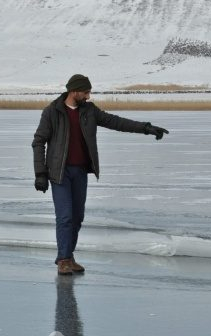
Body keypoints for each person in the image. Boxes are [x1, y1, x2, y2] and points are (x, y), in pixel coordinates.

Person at [32, 74, 168, 275]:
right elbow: (38, 141)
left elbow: (116, 122)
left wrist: (146, 128)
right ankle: (63, 260)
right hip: (59, 173)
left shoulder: (89, 111)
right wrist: (40, 173)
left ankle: (68, 255)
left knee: (77, 217)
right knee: (65, 217)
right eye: (85, 92)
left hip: (80, 172)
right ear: (74, 91)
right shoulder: (53, 112)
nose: (88, 96)